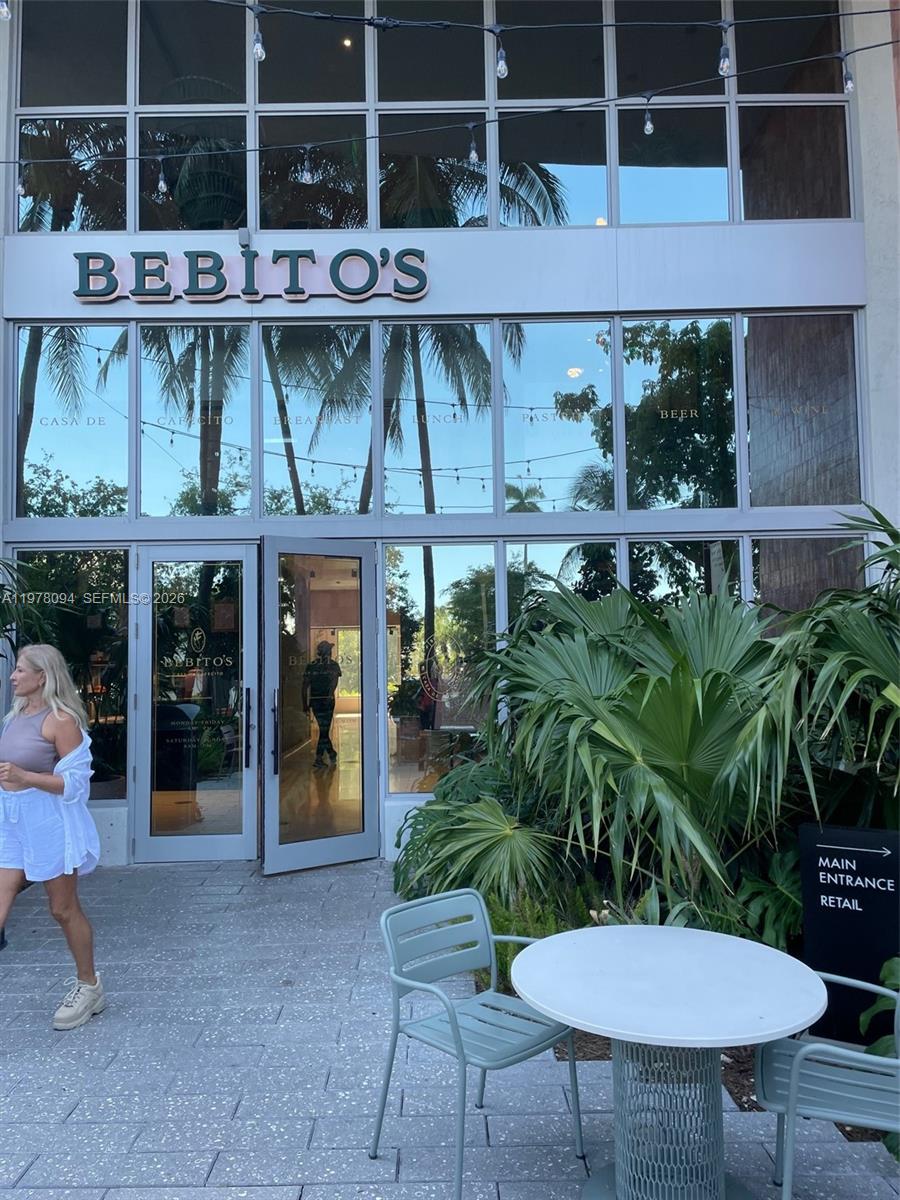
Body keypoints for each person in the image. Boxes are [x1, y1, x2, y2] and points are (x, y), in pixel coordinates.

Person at [0, 644, 104, 1030]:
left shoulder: (61, 721)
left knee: (62, 909)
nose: (13, 676)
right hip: (10, 821)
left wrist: (26, 778)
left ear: (42, 677)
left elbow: (77, 784)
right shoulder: (14, 716)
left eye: (21, 671)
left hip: (49, 822)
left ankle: (89, 986)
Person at [301, 640, 341, 768]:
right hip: (326, 702)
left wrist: (305, 704)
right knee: (324, 730)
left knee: (324, 729)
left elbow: (304, 686)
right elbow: (334, 684)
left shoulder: (311, 666)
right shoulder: (334, 666)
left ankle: (330, 753)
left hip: (316, 701)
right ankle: (321, 757)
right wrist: (329, 696)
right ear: (328, 652)